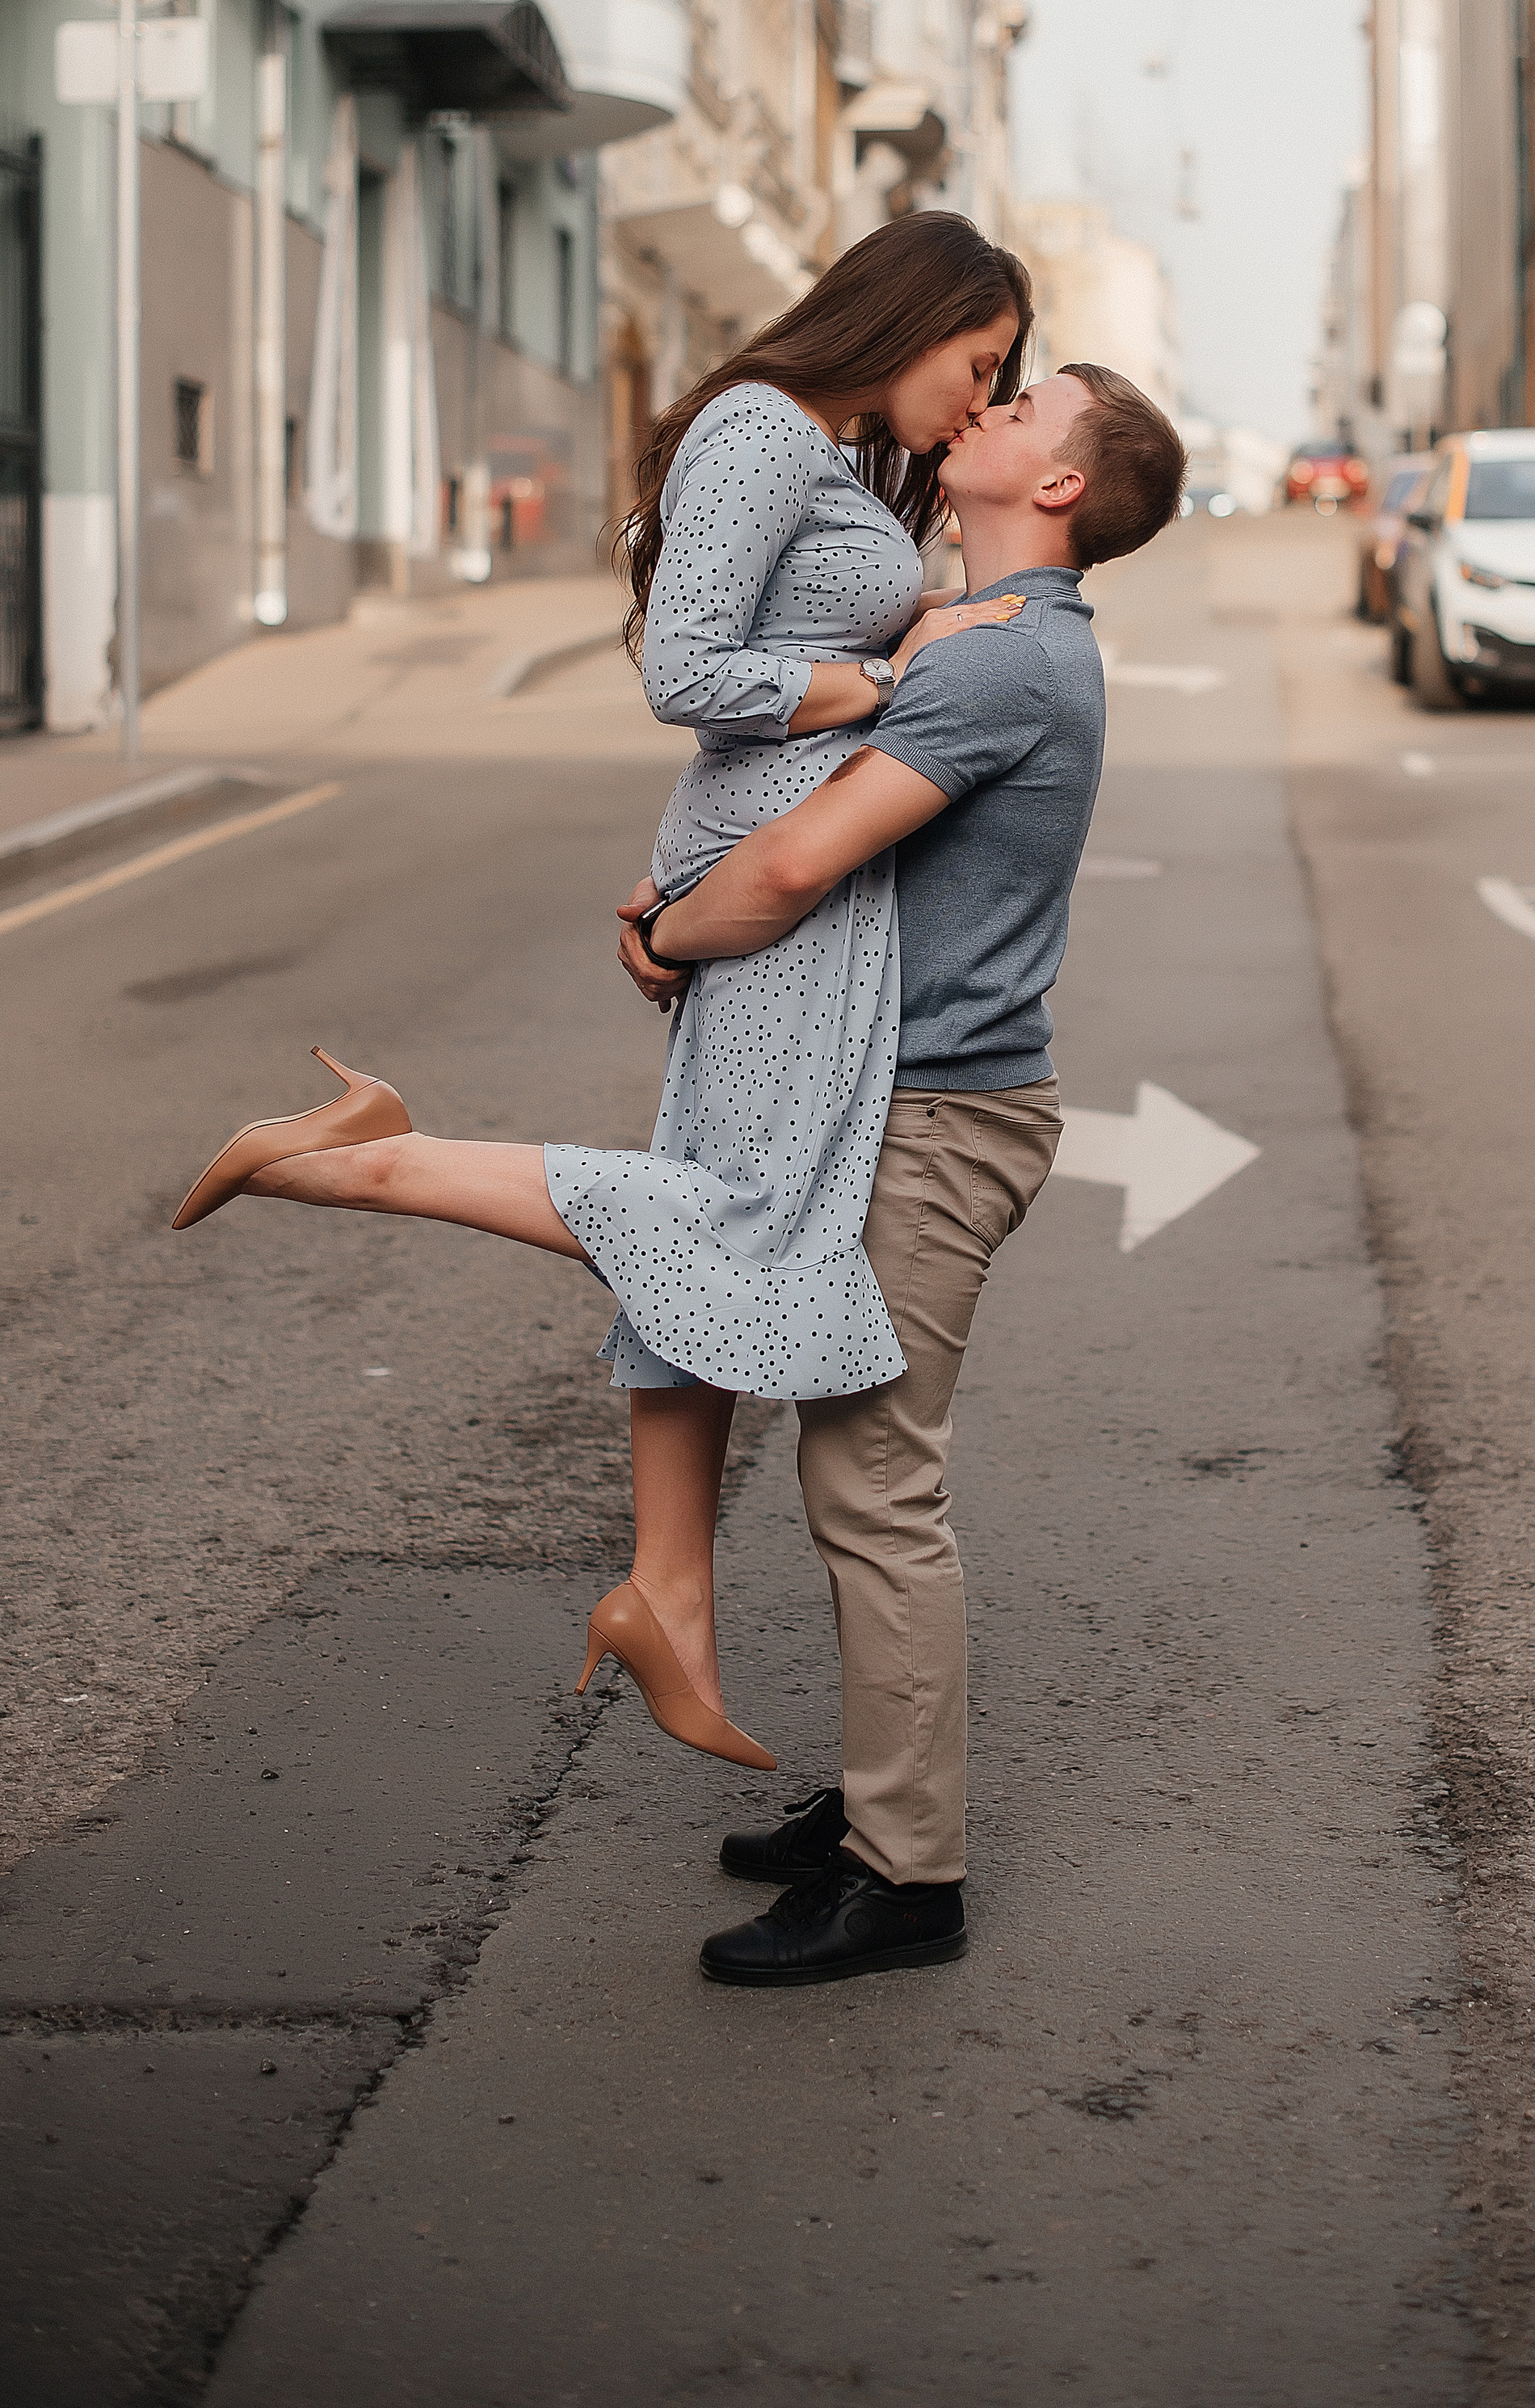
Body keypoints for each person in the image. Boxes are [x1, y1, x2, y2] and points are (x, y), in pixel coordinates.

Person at [169, 213, 1036, 1774]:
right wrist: (893, 680)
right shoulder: (765, 428)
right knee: (743, 1213)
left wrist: (917, 624)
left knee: (728, 1208)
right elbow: (687, 669)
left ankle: (669, 1597)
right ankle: (357, 1153)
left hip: (796, 863)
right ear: (914, 317)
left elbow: (787, 631)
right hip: (772, 863)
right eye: (980, 367)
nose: (980, 405)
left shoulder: (827, 452)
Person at [607, 359, 1188, 1985]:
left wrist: (662, 929)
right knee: (847, 1473)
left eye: (1025, 408)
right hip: (905, 1099)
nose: (984, 416)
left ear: (1060, 486)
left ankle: (904, 1875)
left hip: (933, 1117)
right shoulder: (986, 638)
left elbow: (793, 861)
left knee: (873, 1486)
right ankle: (874, 1801)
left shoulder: (1002, 667)